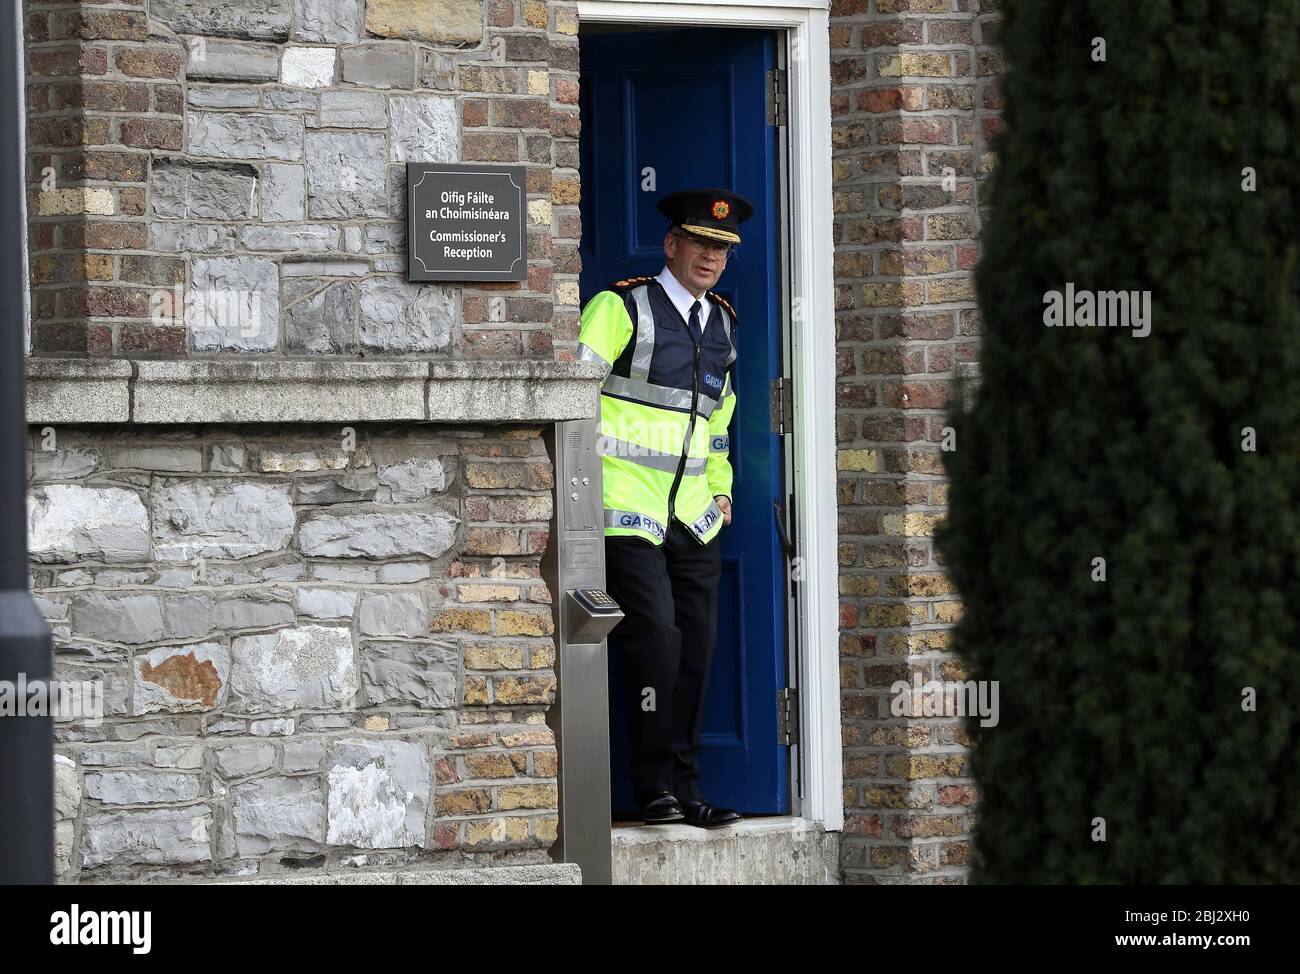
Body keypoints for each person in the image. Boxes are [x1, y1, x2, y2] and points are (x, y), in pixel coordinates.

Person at [576, 188, 753, 828]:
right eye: (701, 244)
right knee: (657, 641)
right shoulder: (620, 306)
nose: (711, 258)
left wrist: (725, 487)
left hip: (695, 517)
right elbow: (570, 398)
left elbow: (717, 423)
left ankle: (686, 788)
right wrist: (575, 488)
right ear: (672, 244)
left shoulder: (723, 323)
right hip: (625, 510)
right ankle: (653, 790)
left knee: (697, 653)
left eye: (722, 250)